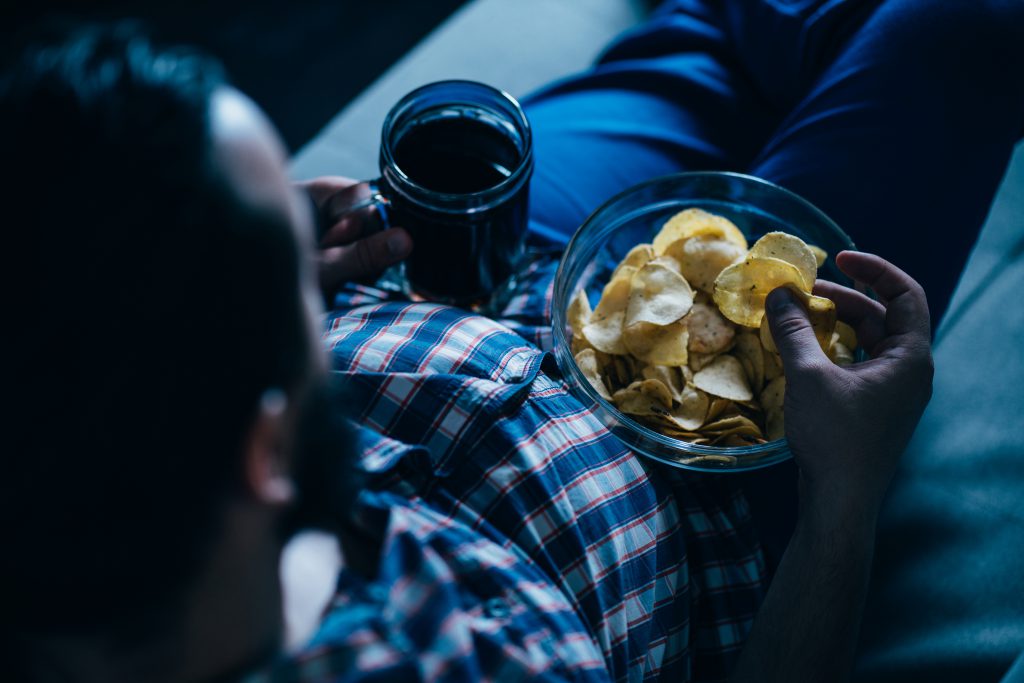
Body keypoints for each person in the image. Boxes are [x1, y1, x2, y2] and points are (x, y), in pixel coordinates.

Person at [3, 0, 1017, 677]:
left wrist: (288, 277)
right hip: (702, 471)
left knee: (704, 34)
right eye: (284, 291)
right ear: (265, 451)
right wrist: (842, 496)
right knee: (966, 25)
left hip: (482, 272)